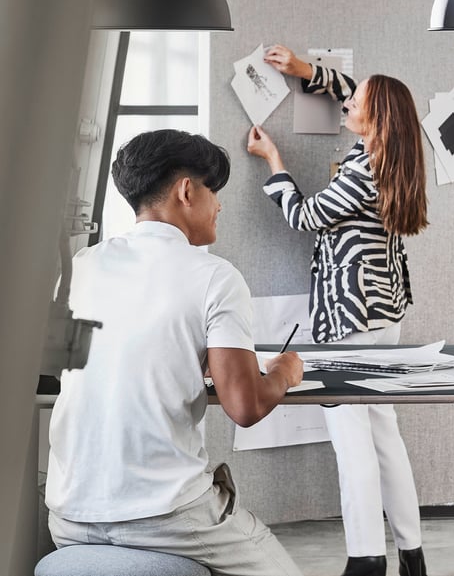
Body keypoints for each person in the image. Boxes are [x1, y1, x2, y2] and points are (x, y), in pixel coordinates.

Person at [45, 129, 305, 576]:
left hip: (68, 516)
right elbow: (244, 407)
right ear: (187, 190)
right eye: (214, 191)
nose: (219, 205)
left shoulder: (83, 266)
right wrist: (283, 371)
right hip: (164, 517)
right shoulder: (215, 277)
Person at [246, 45, 429, 576]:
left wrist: (274, 162)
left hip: (350, 318)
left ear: (375, 119)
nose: (347, 104)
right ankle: (412, 556)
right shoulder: (394, 153)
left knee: (352, 443)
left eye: (357, 104)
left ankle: (367, 559)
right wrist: (305, 72)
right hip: (384, 313)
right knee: (383, 433)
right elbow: (354, 92)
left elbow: (306, 217)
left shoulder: (361, 167)